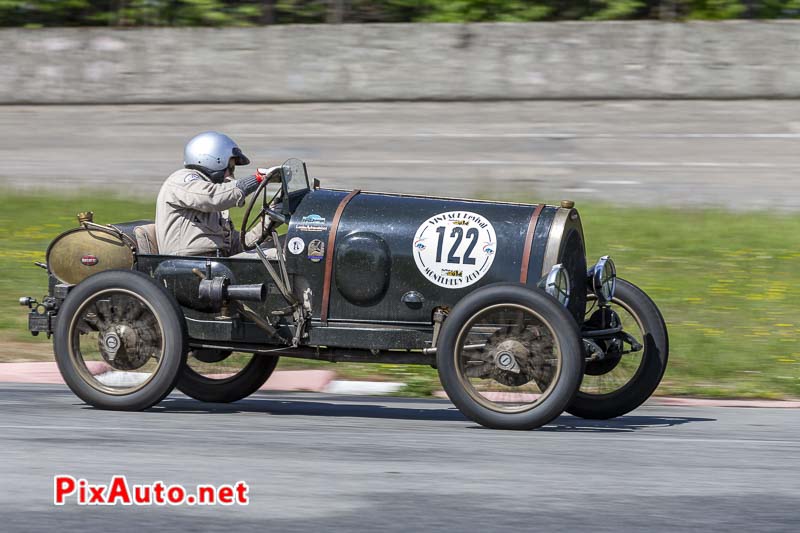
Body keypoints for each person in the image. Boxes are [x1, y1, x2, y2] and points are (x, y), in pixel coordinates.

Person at [155, 131, 277, 256]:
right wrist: (258, 179)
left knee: (286, 251)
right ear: (213, 161)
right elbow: (212, 197)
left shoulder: (215, 205)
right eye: (230, 168)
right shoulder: (181, 179)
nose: (231, 175)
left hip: (216, 264)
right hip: (187, 263)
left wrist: (270, 219)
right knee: (274, 257)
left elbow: (238, 246)